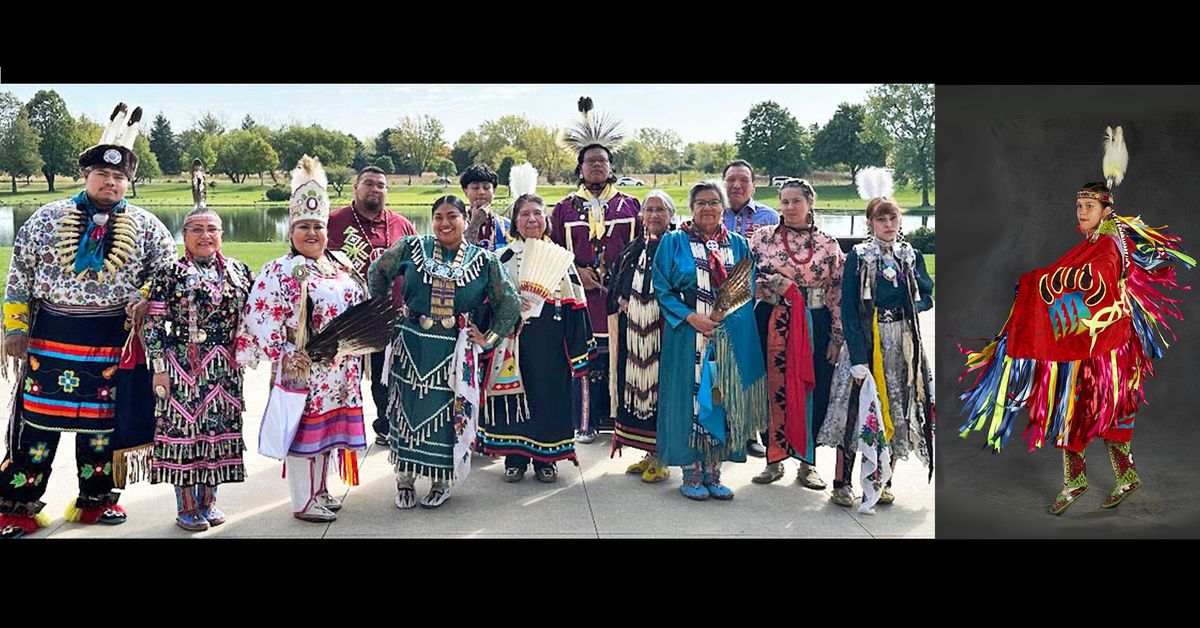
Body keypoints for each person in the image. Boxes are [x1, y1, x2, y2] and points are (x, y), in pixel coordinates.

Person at [959, 127, 1193, 514]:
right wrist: (1040, 283)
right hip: (1103, 342)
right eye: (1078, 206)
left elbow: (1097, 279)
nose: (1081, 212)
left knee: (1083, 408)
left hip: (1105, 346)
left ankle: (1080, 480)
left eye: (1088, 206)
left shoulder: (1106, 245)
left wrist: (1037, 283)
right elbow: (1071, 274)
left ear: (1106, 209)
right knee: (1103, 409)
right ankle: (1116, 476)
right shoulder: (1097, 241)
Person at [0, 103, 175, 538]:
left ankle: (96, 501)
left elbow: (167, 274)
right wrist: (15, 327)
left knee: (101, 426)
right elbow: (19, 273)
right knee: (37, 425)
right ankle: (16, 506)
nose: (111, 182)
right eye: (103, 174)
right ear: (87, 176)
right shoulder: (45, 220)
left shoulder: (149, 227)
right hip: (51, 338)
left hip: (113, 339)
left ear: (127, 181)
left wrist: (144, 297)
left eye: (119, 177)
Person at [235, 155, 369, 523]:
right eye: (304, 226)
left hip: (340, 369)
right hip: (303, 368)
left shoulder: (340, 264)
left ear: (328, 230)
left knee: (327, 432)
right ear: (291, 231)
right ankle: (303, 500)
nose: (312, 233)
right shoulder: (280, 269)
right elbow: (260, 316)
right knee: (303, 432)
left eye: (319, 226)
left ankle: (320, 490)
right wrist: (285, 353)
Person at [369, 195, 520, 509]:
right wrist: (383, 311)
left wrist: (488, 336)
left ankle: (442, 480)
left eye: (452, 216)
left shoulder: (484, 261)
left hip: (455, 347)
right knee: (406, 408)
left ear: (465, 220)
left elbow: (509, 301)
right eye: (438, 216)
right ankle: (405, 478)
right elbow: (377, 272)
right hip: (410, 343)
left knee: (447, 415)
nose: (445, 223)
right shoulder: (412, 247)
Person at [819, 167, 934, 512]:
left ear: (900, 220)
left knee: (896, 408)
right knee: (857, 408)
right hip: (867, 342)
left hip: (902, 342)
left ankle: (884, 481)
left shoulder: (909, 256)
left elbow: (927, 295)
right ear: (869, 223)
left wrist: (910, 304)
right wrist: (857, 356)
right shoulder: (859, 257)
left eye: (893, 217)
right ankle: (842, 483)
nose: (888, 223)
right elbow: (850, 308)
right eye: (880, 218)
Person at [653, 180, 767, 501]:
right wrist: (691, 317)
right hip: (686, 336)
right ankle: (691, 469)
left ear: (722, 208)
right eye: (701, 202)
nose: (707, 208)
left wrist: (720, 319)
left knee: (721, 397)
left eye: (714, 202)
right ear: (691, 208)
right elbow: (662, 286)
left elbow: (746, 287)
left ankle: (714, 470)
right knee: (689, 399)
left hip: (726, 335)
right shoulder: (673, 242)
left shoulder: (738, 244)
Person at [144, 205, 253, 531]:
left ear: (221, 234)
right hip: (182, 366)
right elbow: (152, 325)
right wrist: (160, 367)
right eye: (197, 229)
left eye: (212, 229)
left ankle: (209, 502)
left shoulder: (238, 270)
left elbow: (256, 315)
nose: (205, 236)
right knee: (185, 433)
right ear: (184, 235)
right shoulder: (169, 273)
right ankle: (186, 507)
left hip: (225, 368)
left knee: (216, 433)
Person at [479, 194, 595, 483]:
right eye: (524, 214)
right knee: (513, 395)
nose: (531, 219)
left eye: (537, 214)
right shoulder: (501, 258)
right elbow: (485, 302)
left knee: (549, 397)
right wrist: (486, 335)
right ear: (515, 221)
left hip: (551, 344)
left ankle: (547, 459)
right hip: (512, 343)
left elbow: (576, 304)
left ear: (547, 220)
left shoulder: (560, 259)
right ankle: (515, 457)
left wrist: (579, 349)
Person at [551, 97, 640, 443]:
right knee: (583, 359)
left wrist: (620, 281)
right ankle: (584, 421)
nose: (597, 166)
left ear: (611, 166)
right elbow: (552, 250)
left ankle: (619, 421)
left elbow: (644, 249)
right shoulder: (564, 209)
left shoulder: (630, 205)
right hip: (580, 298)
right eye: (590, 161)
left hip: (620, 299)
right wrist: (576, 271)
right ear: (580, 168)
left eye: (602, 160)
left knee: (621, 357)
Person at [748, 178, 844, 490]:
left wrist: (836, 336)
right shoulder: (762, 238)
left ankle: (808, 462)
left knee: (811, 387)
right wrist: (773, 285)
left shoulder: (828, 244)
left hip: (813, 323)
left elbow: (836, 292)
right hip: (771, 318)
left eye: (796, 201)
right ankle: (773, 460)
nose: (789, 208)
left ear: (810, 202)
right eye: (784, 202)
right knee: (770, 386)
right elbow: (745, 278)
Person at [327, 166, 417, 446]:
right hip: (350, 316)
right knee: (346, 374)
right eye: (369, 183)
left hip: (395, 312)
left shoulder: (401, 225)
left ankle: (388, 423)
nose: (375, 189)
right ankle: (340, 429)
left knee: (388, 372)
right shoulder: (334, 222)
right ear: (356, 187)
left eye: (381, 185)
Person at [607, 189, 674, 483]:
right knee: (636, 389)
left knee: (662, 391)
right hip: (633, 332)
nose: (654, 215)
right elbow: (616, 282)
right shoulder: (634, 248)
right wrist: (622, 300)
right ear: (641, 216)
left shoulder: (677, 246)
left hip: (663, 334)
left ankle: (664, 455)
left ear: (670, 215)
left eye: (661, 209)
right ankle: (648, 452)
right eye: (649, 209)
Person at [722, 159, 778, 458]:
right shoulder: (714, 213)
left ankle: (755, 430)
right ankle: (731, 429)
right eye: (731, 180)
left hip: (757, 304)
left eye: (743, 180)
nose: (737, 186)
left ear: (753, 185)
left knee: (756, 368)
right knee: (727, 367)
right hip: (719, 304)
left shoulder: (769, 217)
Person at [461, 163, 510, 252]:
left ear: (494, 191)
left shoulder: (507, 226)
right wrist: (474, 224)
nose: (481, 192)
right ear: (465, 191)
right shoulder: (456, 225)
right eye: (475, 188)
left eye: (486, 187)